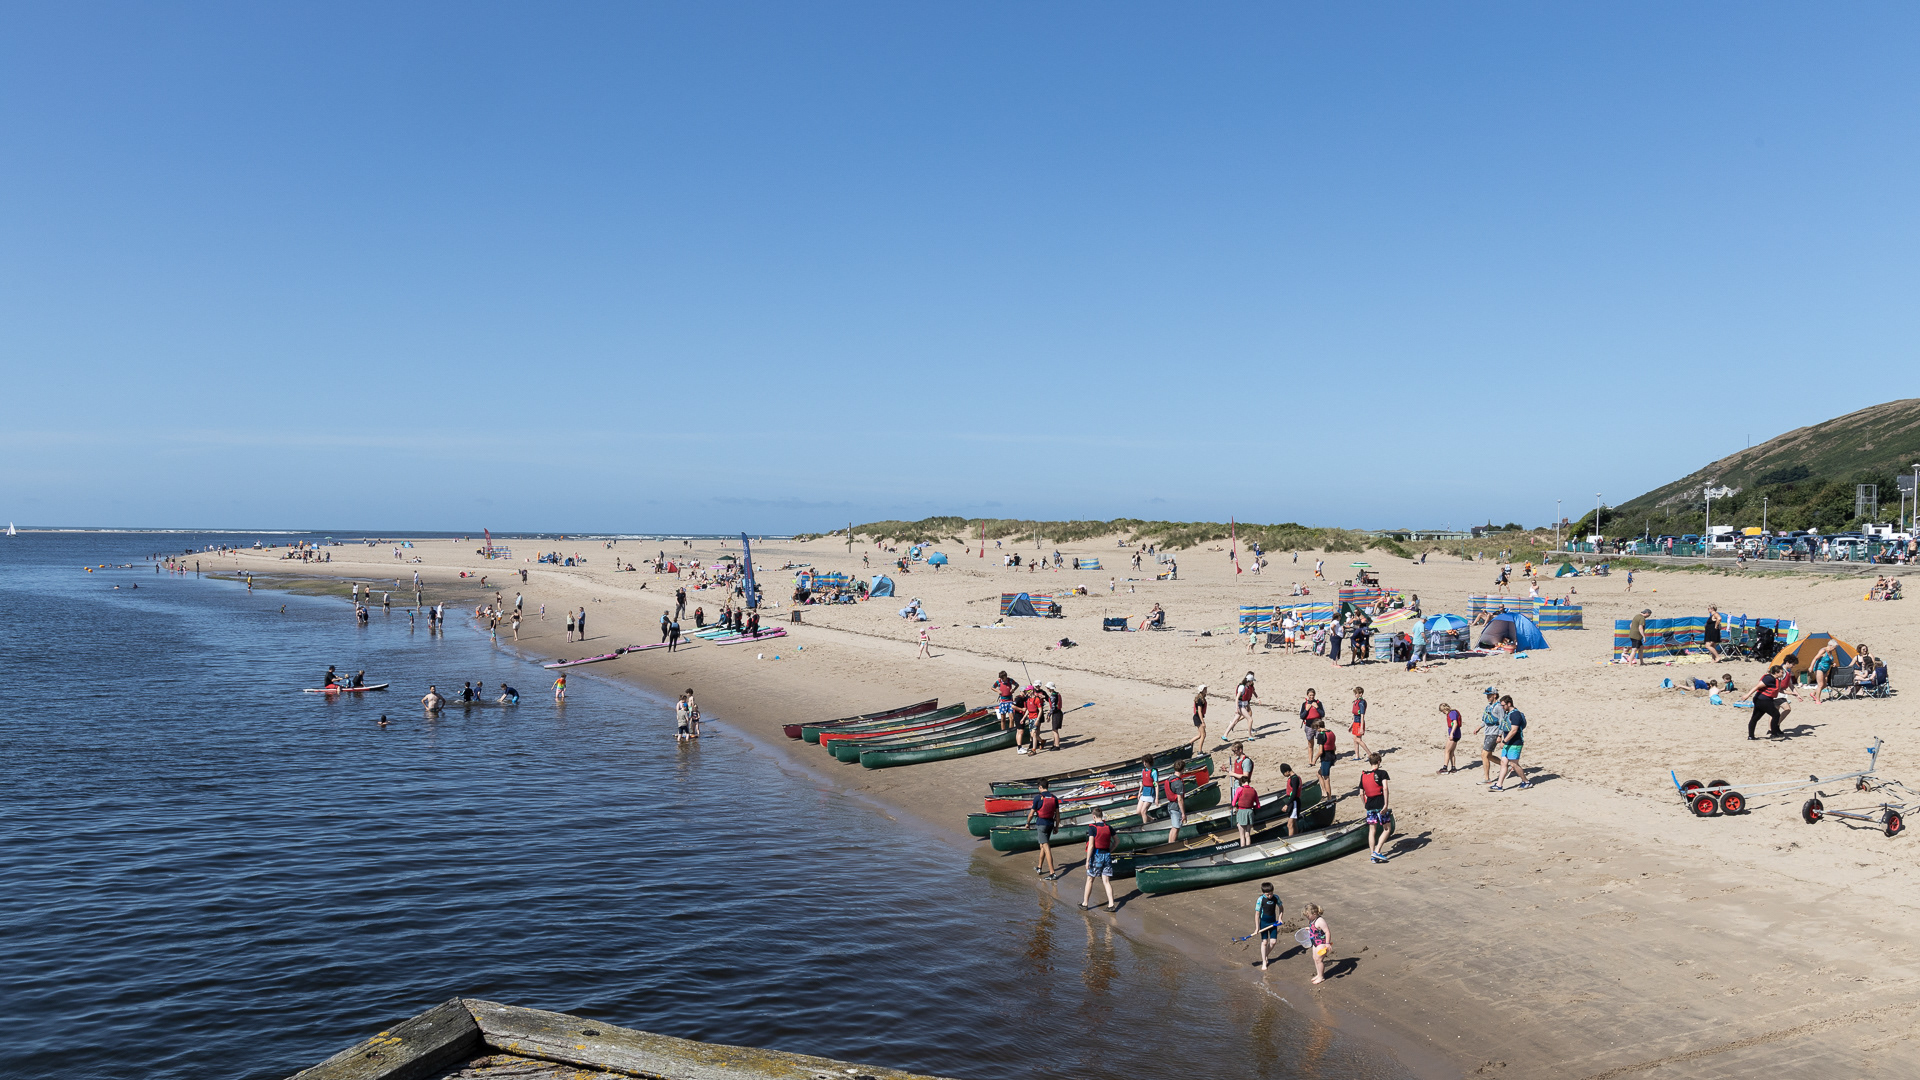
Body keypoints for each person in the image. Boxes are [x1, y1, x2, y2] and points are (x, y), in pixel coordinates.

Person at [1080, 808, 1117, 911]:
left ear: (1094, 816)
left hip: (1097, 856)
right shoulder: (1108, 827)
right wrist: (1110, 850)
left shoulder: (1092, 828)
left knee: (1090, 879)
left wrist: (1087, 861)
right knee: (1106, 881)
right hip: (1107, 855)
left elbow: (1091, 845)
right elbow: (1117, 841)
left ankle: (1085, 903)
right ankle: (1111, 904)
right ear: (1102, 815)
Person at [1491, 695, 1530, 790]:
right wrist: (1500, 736)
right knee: (1504, 762)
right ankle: (1499, 785)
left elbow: (1514, 730)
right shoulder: (1508, 714)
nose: (1502, 707)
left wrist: (1504, 741)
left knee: (1513, 764)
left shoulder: (1515, 714)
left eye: (1503, 705)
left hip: (1515, 743)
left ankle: (1526, 782)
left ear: (1509, 704)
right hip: (1508, 743)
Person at [1360, 752, 1393, 860]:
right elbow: (1385, 788)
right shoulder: (1382, 773)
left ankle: (1372, 854)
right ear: (1378, 762)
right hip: (1380, 804)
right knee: (1387, 828)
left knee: (1372, 830)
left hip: (1369, 805)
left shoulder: (1363, 775)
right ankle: (1377, 850)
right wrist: (1386, 804)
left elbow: (1361, 793)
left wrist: (1365, 805)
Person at [1025, 780, 1061, 878]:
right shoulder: (1054, 798)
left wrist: (1027, 823)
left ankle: (1052, 873)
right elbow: (1057, 815)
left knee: (1046, 847)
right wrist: (1056, 826)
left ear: (1040, 787)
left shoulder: (1038, 798)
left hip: (1041, 825)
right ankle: (1039, 867)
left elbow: (1031, 814)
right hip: (1050, 824)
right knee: (1043, 846)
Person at [1749, 664, 1790, 739]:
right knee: (1776, 715)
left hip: (1762, 700)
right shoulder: (1769, 678)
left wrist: (1794, 694)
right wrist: (1747, 695)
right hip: (1763, 700)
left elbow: (1779, 690)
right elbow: (1757, 686)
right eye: (1781, 672)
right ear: (1776, 673)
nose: (1783, 673)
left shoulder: (1776, 680)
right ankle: (1773, 734)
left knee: (1755, 718)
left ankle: (1751, 736)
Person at [1477, 688, 1505, 783]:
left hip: (1494, 733)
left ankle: (1487, 778)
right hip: (1488, 732)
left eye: (1489, 695)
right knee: (1488, 755)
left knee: (1484, 754)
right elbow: (1486, 720)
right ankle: (1506, 766)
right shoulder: (1489, 706)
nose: (1487, 697)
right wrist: (1479, 727)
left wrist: (1500, 735)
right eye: (1487, 695)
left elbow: (1502, 721)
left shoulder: (1499, 707)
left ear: (1495, 695)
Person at [1255, 882, 1284, 970]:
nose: (1270, 896)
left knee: (1273, 942)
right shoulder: (1260, 899)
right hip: (1263, 923)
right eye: (1268, 894)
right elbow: (1257, 914)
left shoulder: (1276, 897)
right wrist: (1257, 928)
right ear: (1263, 893)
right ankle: (1264, 961)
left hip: (1273, 923)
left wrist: (1280, 918)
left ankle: (1265, 955)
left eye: (1271, 893)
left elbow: (1281, 908)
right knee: (1264, 942)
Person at [1224, 673, 1258, 741]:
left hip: (1242, 705)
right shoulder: (1242, 687)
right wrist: (1237, 708)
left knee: (1234, 721)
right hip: (1240, 706)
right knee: (1250, 719)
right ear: (1250, 681)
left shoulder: (1247, 686)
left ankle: (1225, 735)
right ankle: (1250, 736)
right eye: (1252, 681)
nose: (1252, 682)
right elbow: (1237, 698)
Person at [1304, 904, 1332, 984]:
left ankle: (1321, 977)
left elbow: (1327, 932)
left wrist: (1327, 943)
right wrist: (1309, 928)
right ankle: (1319, 974)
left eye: (1307, 915)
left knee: (1319, 960)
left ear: (1314, 914)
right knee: (1315, 958)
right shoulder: (1312, 919)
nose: (1307, 917)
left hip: (1322, 943)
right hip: (1315, 942)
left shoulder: (1320, 921)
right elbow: (1316, 928)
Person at [1231, 774, 1259, 847]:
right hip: (1250, 812)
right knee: (1248, 834)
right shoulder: (1253, 790)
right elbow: (1258, 805)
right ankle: (1248, 849)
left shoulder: (1240, 789)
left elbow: (1233, 803)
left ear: (1241, 782)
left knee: (1242, 836)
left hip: (1241, 812)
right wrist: (1251, 806)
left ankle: (1243, 849)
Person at [1277, 762, 1303, 836]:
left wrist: (1287, 805)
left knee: (1290, 825)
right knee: (1293, 823)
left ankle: (1291, 840)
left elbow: (1294, 793)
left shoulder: (1294, 779)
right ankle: (1296, 836)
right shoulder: (1293, 778)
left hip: (1294, 802)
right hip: (1294, 802)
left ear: (1287, 771)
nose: (1284, 775)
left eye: (1284, 773)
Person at [1017, 687, 1043, 755]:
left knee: (1034, 733)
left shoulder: (1036, 699)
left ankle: (1033, 749)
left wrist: (1037, 719)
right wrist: (1023, 718)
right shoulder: (1028, 699)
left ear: (1032, 691)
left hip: (1035, 717)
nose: (1027, 692)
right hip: (1030, 718)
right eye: (1027, 691)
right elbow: (1028, 710)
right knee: (1032, 734)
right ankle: (1041, 741)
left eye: (1029, 691)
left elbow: (1040, 710)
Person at [1313, 721, 1338, 792]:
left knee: (1326, 778)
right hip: (1332, 756)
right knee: (1318, 773)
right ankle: (1324, 793)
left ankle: (1329, 798)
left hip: (1326, 758)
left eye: (1316, 729)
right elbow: (1334, 747)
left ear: (1318, 727)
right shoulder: (1331, 732)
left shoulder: (1321, 735)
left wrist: (1314, 760)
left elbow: (1320, 751)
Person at [1438, 702, 1462, 773]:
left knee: (1447, 751)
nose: (1443, 713)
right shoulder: (1453, 712)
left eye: (1442, 711)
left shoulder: (1452, 713)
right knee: (1451, 752)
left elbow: (1455, 723)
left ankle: (1445, 768)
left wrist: (1451, 733)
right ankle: (1453, 768)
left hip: (1454, 735)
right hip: (1457, 734)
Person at [1348, 687, 1372, 758]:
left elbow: (1362, 716)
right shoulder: (1356, 701)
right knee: (1355, 739)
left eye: (1356, 693)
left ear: (1360, 694)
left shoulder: (1361, 703)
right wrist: (1351, 725)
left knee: (1358, 739)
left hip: (1359, 723)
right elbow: (1354, 715)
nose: (1355, 695)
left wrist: (1361, 727)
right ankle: (1357, 756)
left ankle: (1370, 754)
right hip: (1355, 722)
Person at [1043, 682, 1064, 751]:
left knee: (1055, 730)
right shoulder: (1056, 694)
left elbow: (1053, 707)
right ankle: (1054, 744)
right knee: (1054, 730)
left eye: (1047, 688)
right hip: (1058, 712)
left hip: (1056, 714)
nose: (1047, 689)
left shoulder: (1053, 696)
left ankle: (1057, 745)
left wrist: (1049, 715)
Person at [1188, 685, 1210, 750]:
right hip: (1198, 718)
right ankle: (1200, 751)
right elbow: (1199, 711)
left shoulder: (1201, 698)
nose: (1206, 690)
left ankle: (1188, 744)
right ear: (1201, 690)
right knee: (1203, 735)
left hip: (1197, 718)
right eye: (1205, 689)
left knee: (1199, 735)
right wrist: (1202, 722)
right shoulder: (1200, 700)